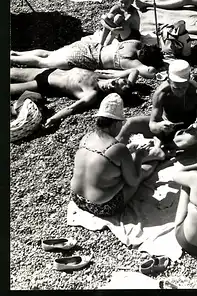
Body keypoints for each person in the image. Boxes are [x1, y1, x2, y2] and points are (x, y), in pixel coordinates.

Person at [70, 93, 165, 217]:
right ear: (115, 124)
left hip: (77, 198)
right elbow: (133, 181)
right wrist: (139, 157)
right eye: (121, 123)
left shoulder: (86, 138)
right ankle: (157, 156)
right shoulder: (117, 148)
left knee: (114, 169)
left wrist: (127, 150)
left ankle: (156, 153)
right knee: (141, 172)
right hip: (102, 206)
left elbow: (103, 162)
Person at [116, 60, 197, 152]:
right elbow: (153, 124)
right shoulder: (161, 93)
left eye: (184, 87)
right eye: (176, 88)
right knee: (130, 123)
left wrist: (196, 126)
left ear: (188, 80)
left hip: (184, 132)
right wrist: (160, 126)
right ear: (169, 81)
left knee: (194, 137)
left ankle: (164, 147)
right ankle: (114, 151)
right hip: (163, 126)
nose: (181, 91)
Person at [10, 66, 142, 128]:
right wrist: (127, 84)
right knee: (11, 71)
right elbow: (134, 71)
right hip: (50, 71)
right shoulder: (104, 76)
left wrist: (54, 118)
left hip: (44, 84)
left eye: (112, 90)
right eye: (113, 83)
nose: (110, 86)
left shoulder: (92, 94)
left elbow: (71, 108)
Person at [10, 39, 163, 78]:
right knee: (42, 62)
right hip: (87, 58)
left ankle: (15, 53)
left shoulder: (135, 43)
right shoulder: (130, 61)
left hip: (87, 46)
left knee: (49, 53)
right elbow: (149, 72)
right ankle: (12, 59)